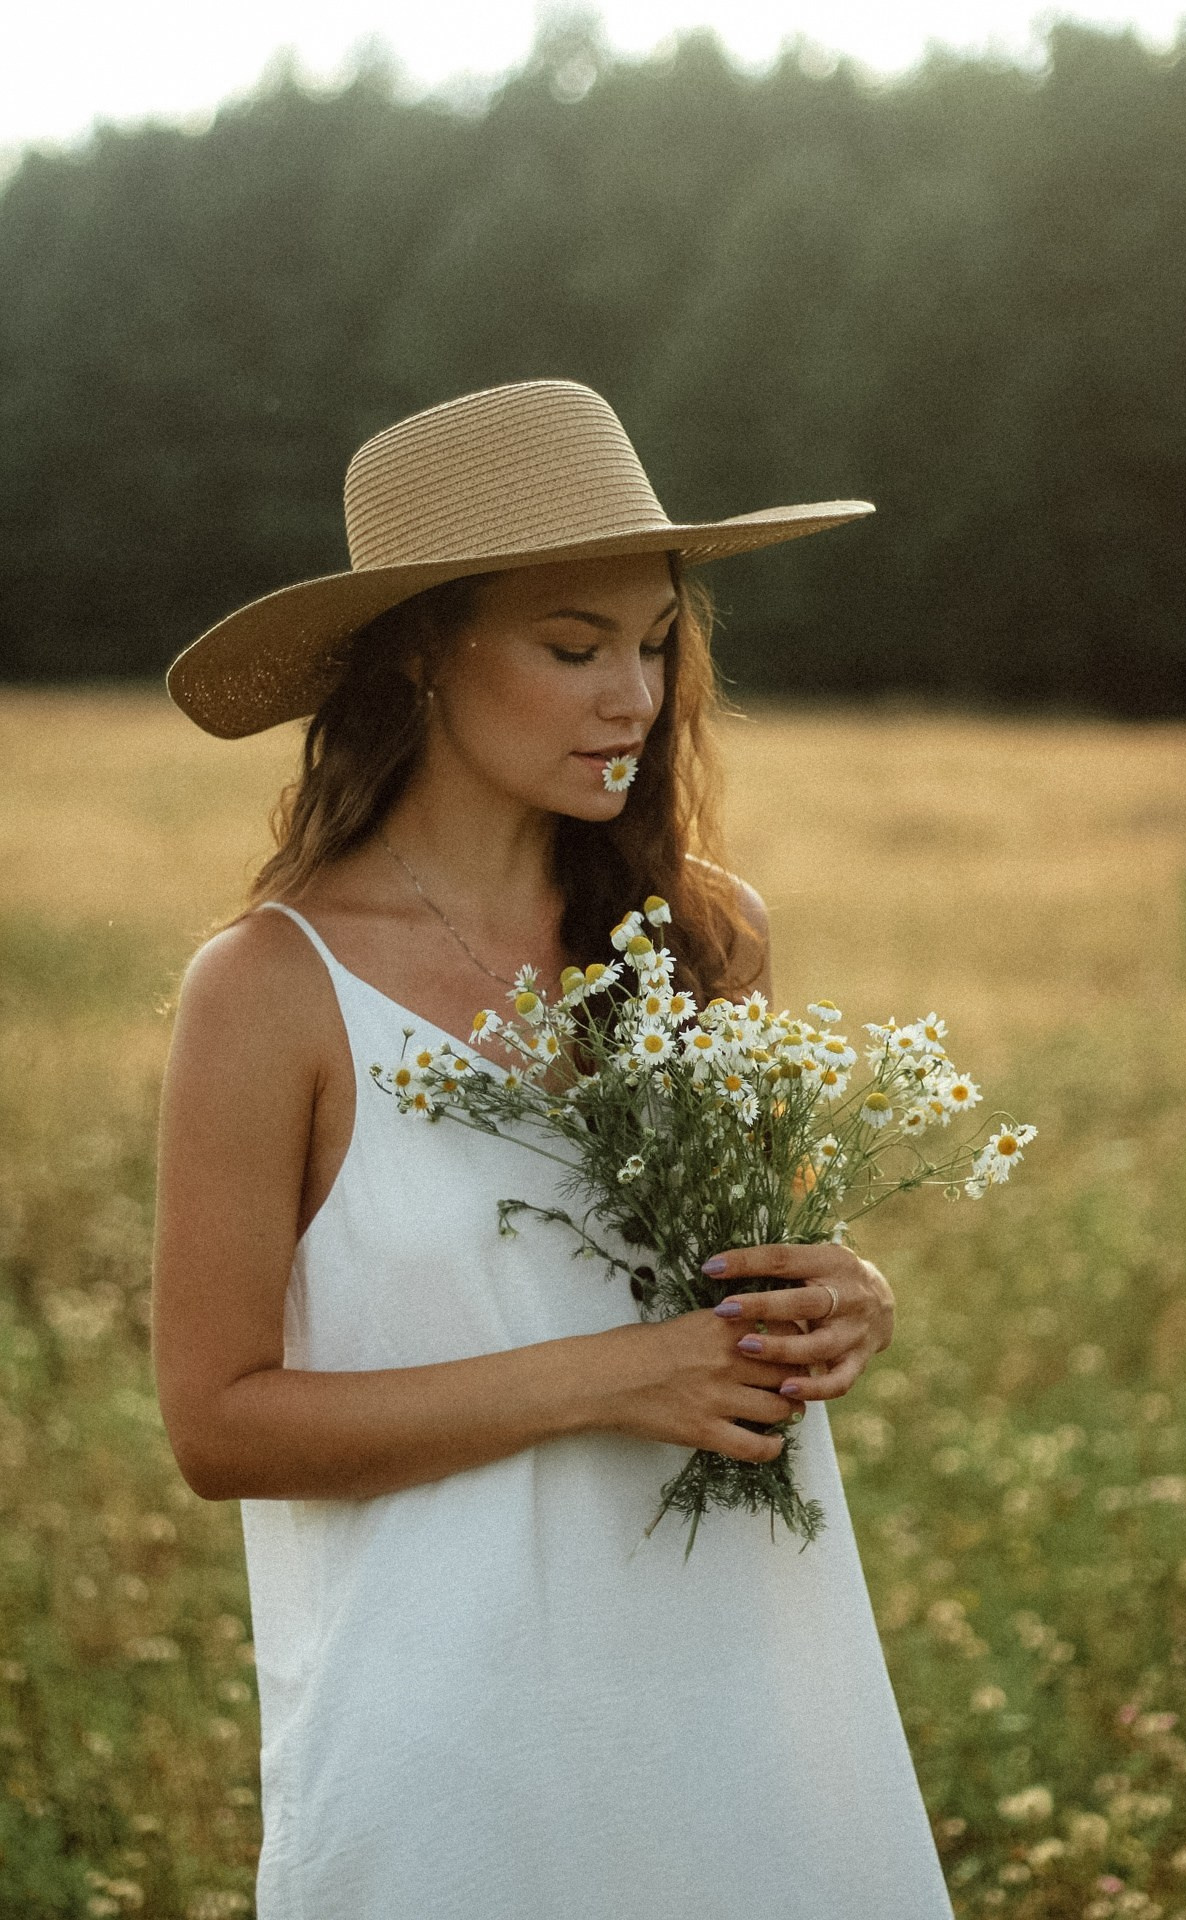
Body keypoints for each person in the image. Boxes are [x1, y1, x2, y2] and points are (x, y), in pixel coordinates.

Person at [152, 378, 954, 1919]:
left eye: (655, 645)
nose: (635, 700)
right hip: (451, 1744)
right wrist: (616, 1378)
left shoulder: (704, 939)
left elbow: (740, 1299)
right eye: (575, 648)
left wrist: (846, 1297)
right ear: (420, 658)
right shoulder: (268, 991)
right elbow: (217, 1426)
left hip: (741, 1691)